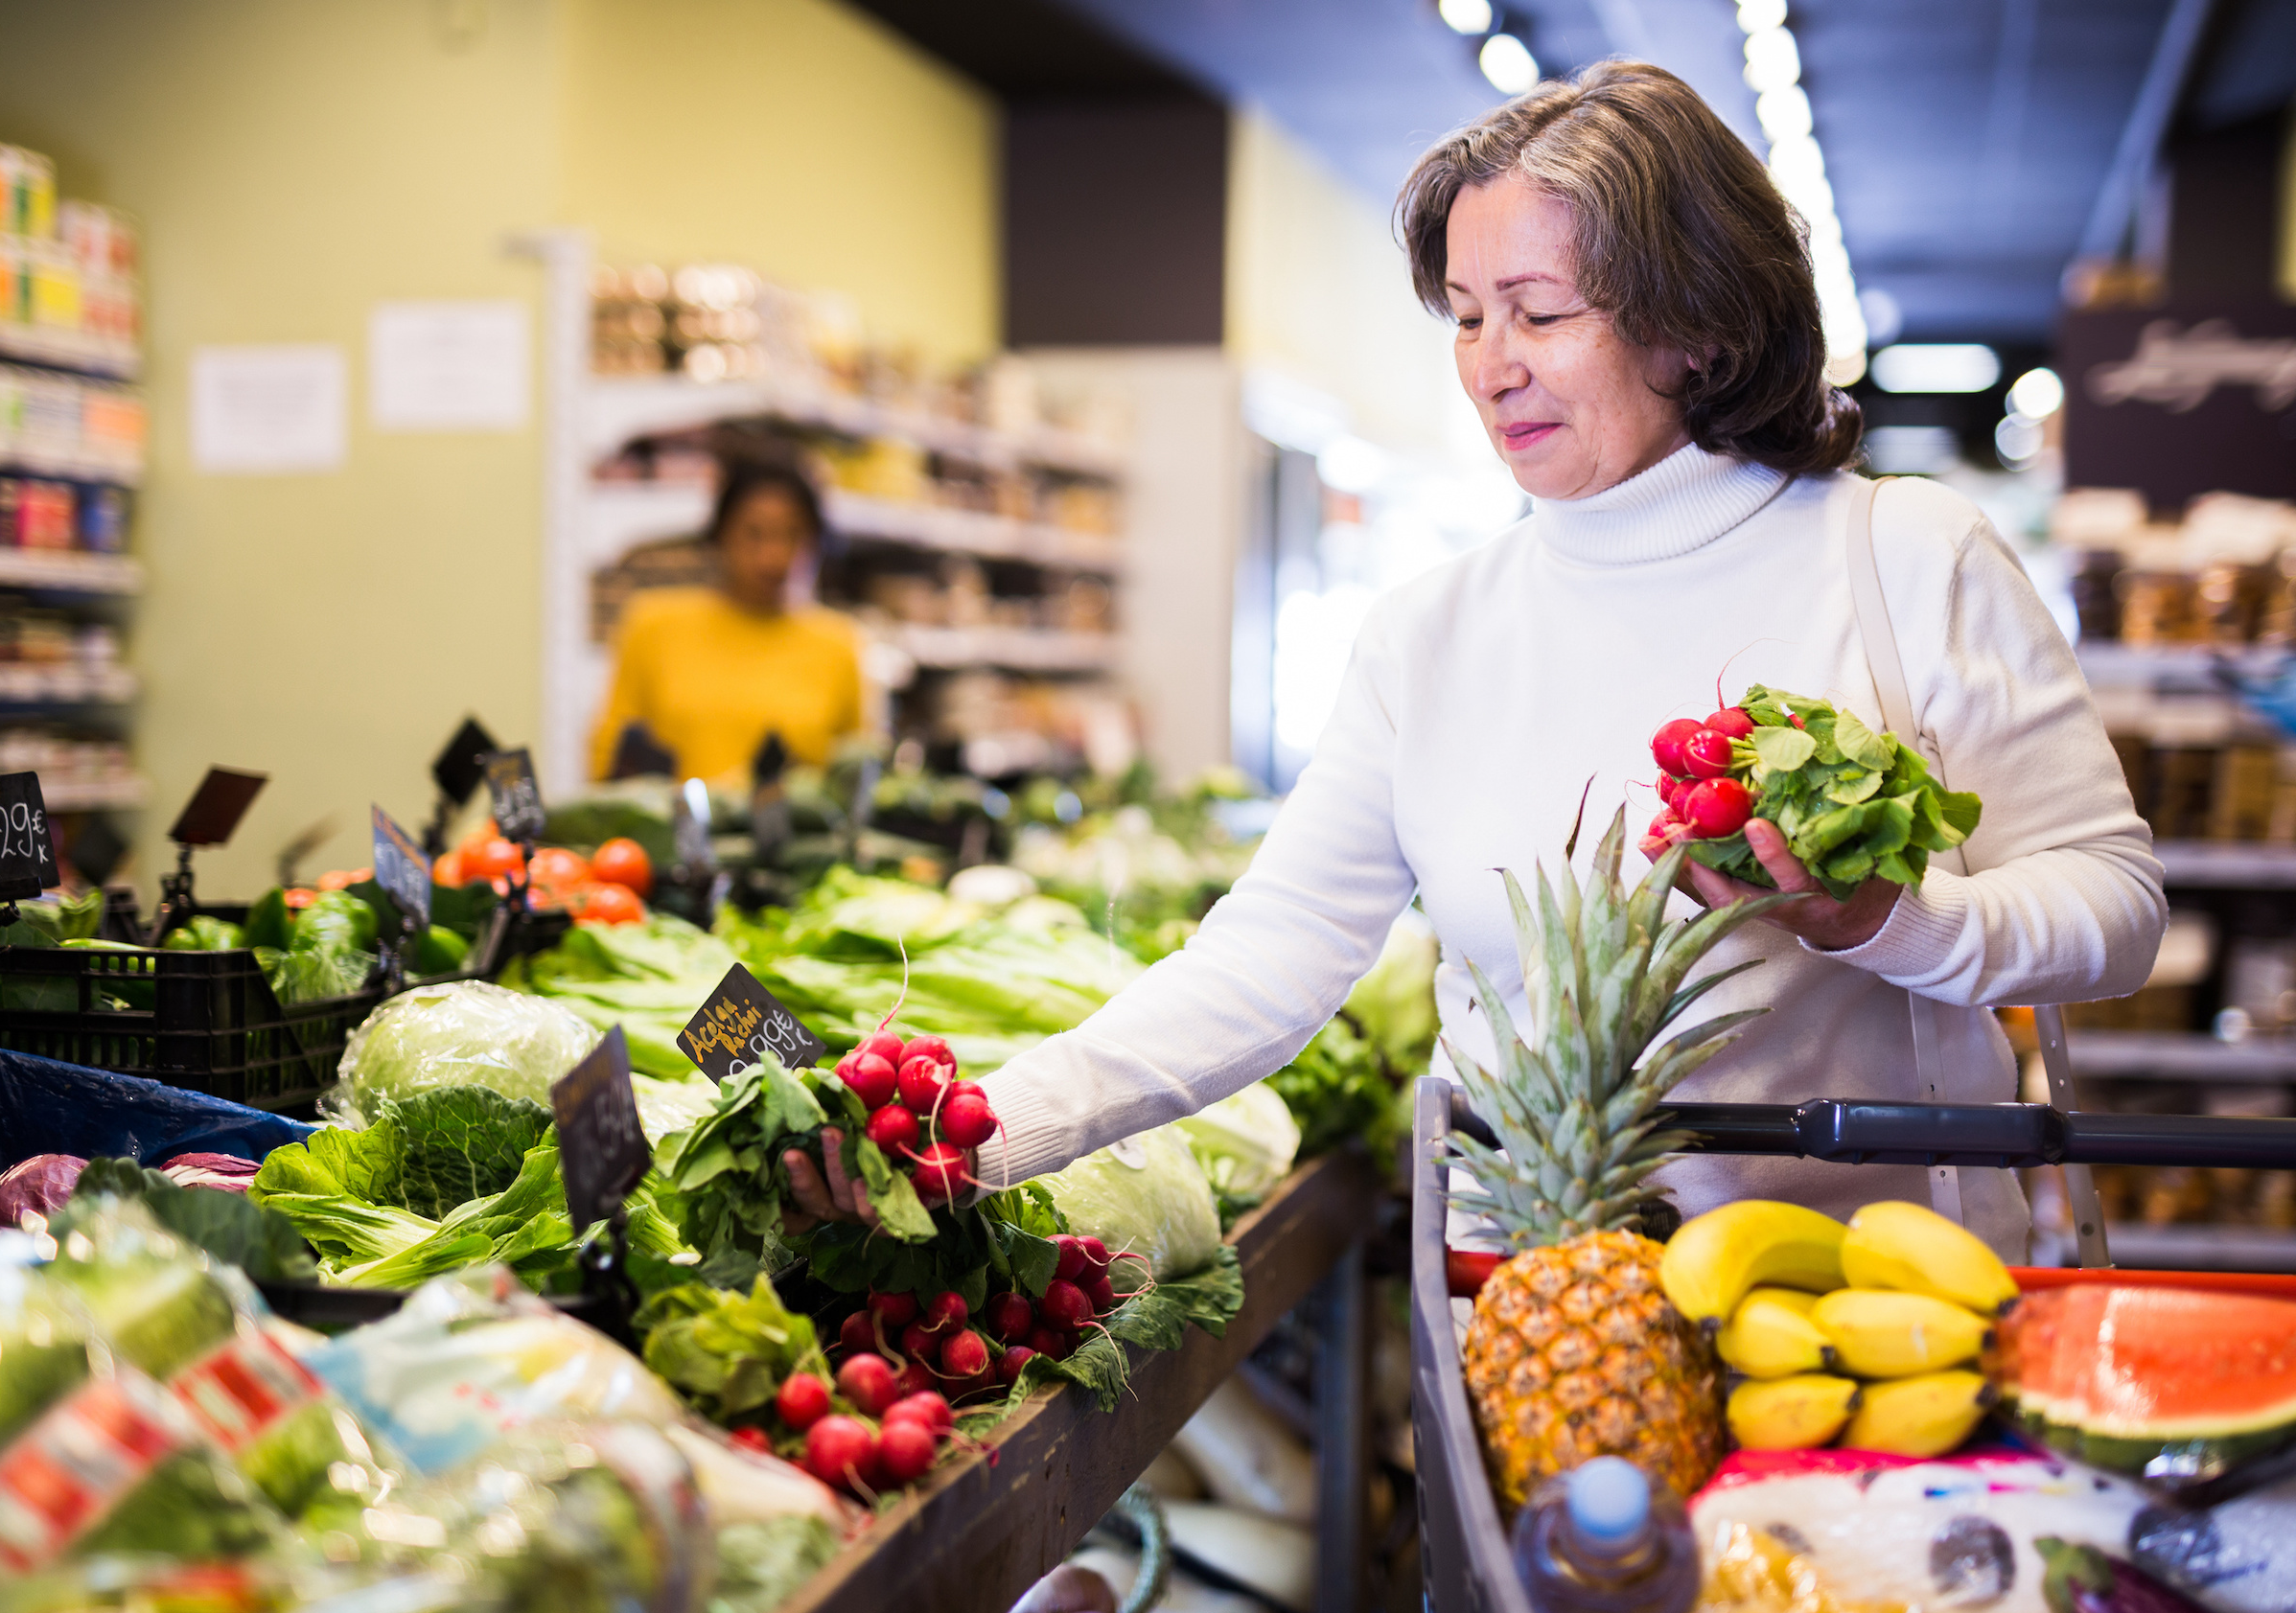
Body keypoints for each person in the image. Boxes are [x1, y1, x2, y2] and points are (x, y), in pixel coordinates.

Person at [784, 61, 2165, 1256]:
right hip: (1525, 1303)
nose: (1489, 365)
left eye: (1541, 312)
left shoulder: (1908, 559)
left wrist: (1893, 926)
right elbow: (1268, 958)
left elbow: (2116, 910)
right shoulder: (1433, 633)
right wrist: (975, 1128)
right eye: (1464, 313)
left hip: (1882, 1305)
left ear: (1698, 325)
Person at [590, 460, 864, 784]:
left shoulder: (839, 643)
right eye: (754, 534)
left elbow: (852, 774)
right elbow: (610, 756)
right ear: (721, 534)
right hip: (671, 832)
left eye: (792, 535)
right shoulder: (653, 625)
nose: (773, 556)